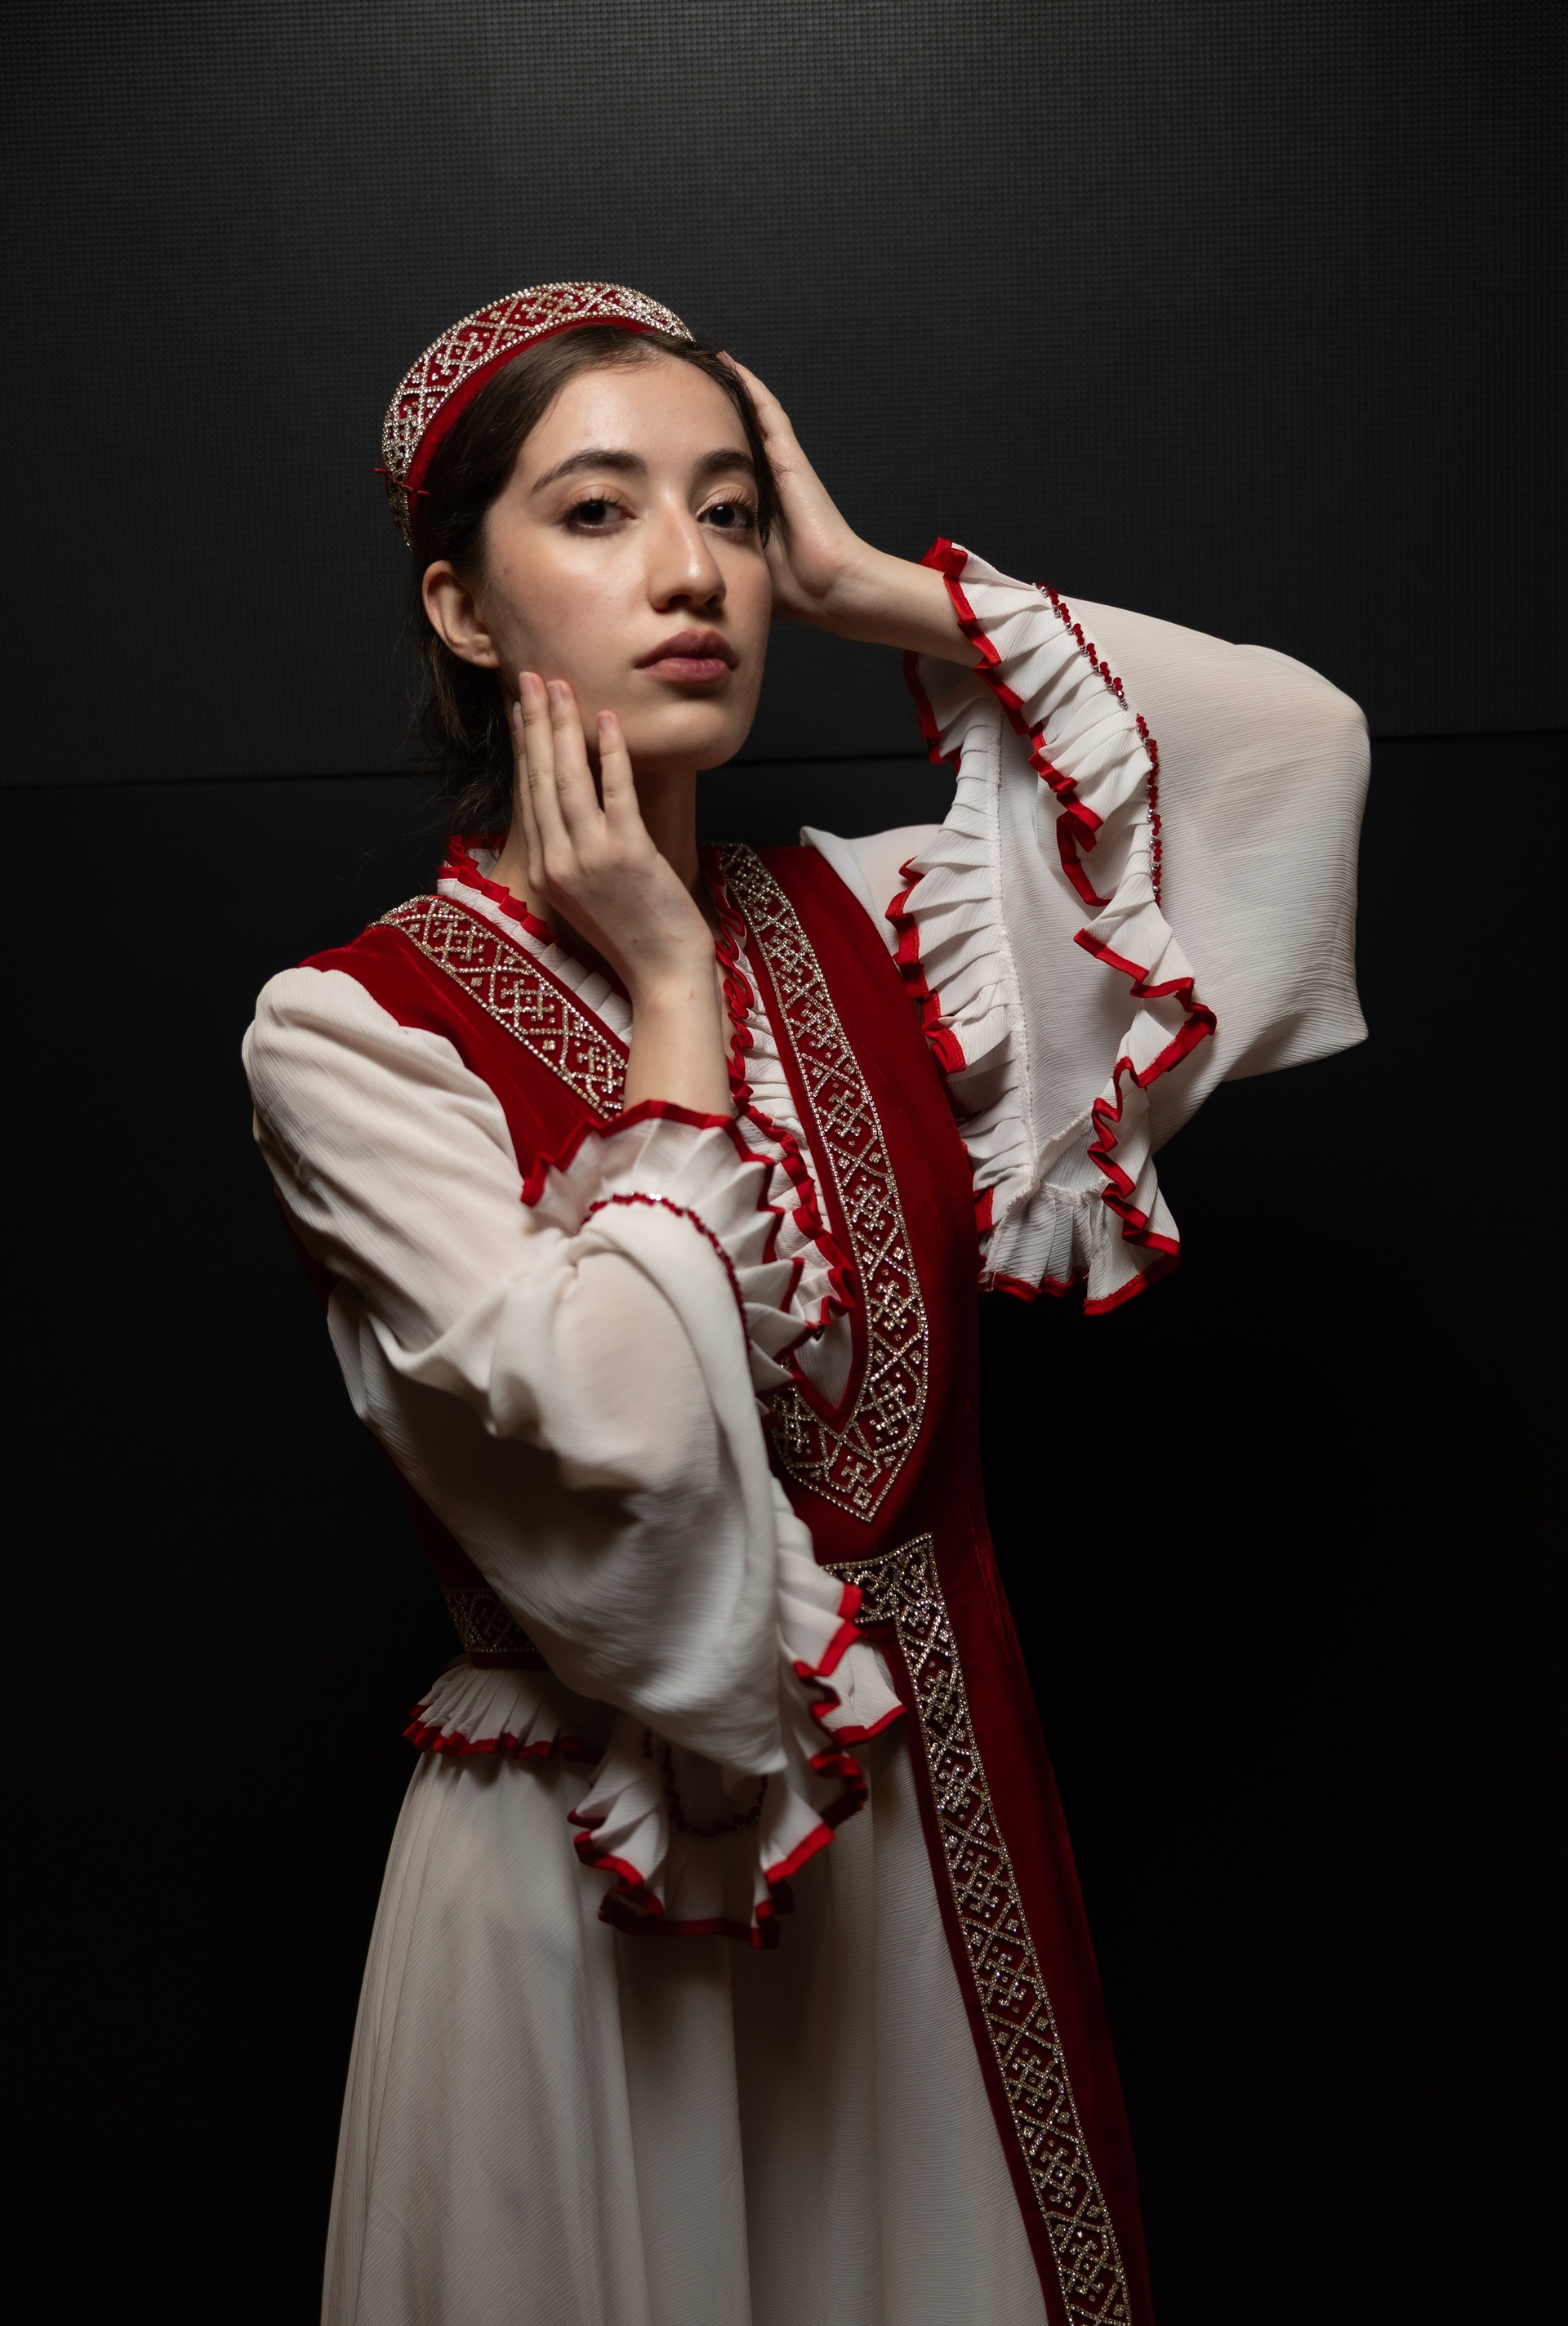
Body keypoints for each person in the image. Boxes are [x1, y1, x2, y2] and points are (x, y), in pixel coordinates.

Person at [245, 281, 1368, 2326]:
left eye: (734, 512)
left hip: (927, 1856)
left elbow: (1290, 751)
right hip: (586, 1885)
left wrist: (866, 583)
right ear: (464, 609)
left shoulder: (873, 912)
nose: (693, 572)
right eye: (600, 511)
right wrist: (674, 987)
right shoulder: (351, 1036)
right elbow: (627, 1456)